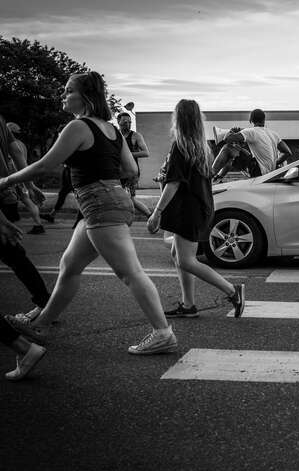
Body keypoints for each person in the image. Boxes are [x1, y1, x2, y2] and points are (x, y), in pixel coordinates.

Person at [0, 71, 178, 362]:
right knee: (69, 265)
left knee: (130, 272)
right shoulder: (111, 129)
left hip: (99, 203)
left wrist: (7, 181)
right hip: (110, 199)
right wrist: (104, 178)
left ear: (85, 97)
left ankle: (163, 333)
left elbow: (46, 165)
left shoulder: (78, 127)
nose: (63, 95)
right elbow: (131, 170)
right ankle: (41, 325)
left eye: (69, 91)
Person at [147, 99, 245, 319]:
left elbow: (174, 183)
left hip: (188, 210)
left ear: (178, 119)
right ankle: (188, 304)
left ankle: (232, 291)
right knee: (178, 254)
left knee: (186, 260)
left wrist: (157, 212)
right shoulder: (202, 146)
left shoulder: (181, 147)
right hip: (199, 206)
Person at [0, 115, 51, 321]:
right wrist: (30, 185)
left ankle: (44, 304)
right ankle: (44, 302)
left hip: (3, 191)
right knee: (13, 255)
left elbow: (16, 152)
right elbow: (16, 152)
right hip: (6, 191)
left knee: (13, 254)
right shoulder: (1, 121)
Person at [223, 108, 292, 176]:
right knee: (238, 149)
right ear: (264, 120)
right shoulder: (274, 134)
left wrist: (231, 131)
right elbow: (287, 152)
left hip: (258, 173)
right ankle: (219, 176)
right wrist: (275, 163)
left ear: (251, 120)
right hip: (271, 173)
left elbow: (227, 139)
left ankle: (214, 175)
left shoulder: (250, 131)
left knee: (228, 148)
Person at [117, 111, 152, 217]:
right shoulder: (114, 135)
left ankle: (150, 216)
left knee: (129, 199)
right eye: (124, 122)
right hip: (117, 172)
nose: (127, 124)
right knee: (117, 197)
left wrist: (127, 154)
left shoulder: (136, 136)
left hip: (131, 173)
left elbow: (146, 153)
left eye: (129, 122)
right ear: (118, 122)